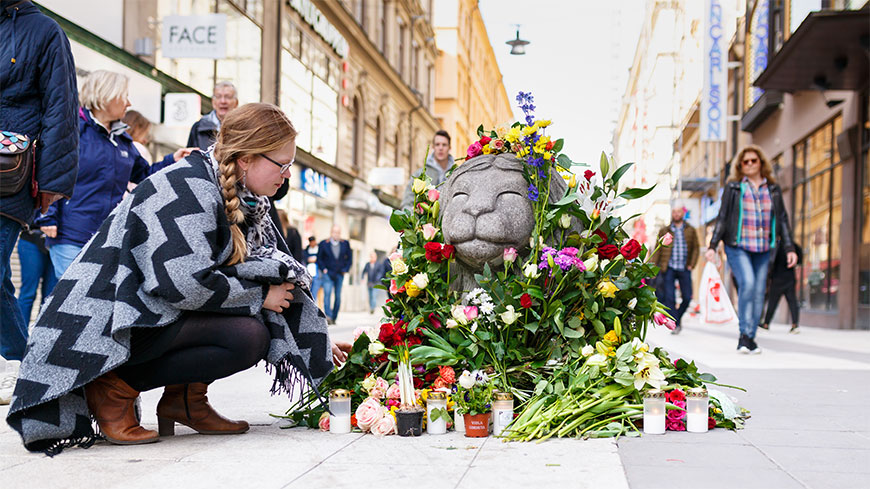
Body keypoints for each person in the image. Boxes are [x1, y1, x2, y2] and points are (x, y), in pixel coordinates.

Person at [6, 103, 352, 453]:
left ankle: (185, 401)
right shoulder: (186, 187)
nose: (288, 175)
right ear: (246, 158)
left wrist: (317, 336)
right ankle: (112, 389)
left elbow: (267, 271)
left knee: (247, 328)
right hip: (108, 322)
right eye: (283, 164)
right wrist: (258, 297)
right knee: (247, 336)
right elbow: (179, 283)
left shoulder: (246, 199)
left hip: (148, 312)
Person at [36, 70, 193, 279]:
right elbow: (51, 170)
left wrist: (172, 159)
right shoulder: (74, 131)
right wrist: (48, 215)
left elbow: (144, 174)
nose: (128, 103)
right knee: (73, 298)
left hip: (107, 236)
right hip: (70, 235)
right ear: (106, 96)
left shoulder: (121, 139)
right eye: (124, 96)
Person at [0, 0, 79, 406]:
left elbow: (61, 108)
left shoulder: (44, 30)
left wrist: (52, 180)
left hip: (8, 174)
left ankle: (21, 364)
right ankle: (25, 364)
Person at [706, 145, 797, 354]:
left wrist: (790, 247)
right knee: (747, 284)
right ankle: (743, 335)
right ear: (740, 166)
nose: (749, 165)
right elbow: (723, 217)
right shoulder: (734, 187)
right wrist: (713, 245)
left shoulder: (772, 189)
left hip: (764, 248)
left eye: (753, 161)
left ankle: (751, 337)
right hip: (738, 246)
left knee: (758, 291)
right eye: (744, 162)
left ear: (761, 163)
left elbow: (782, 219)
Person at [652, 205, 700, 335]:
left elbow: (696, 247)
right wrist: (653, 269)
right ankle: (676, 323)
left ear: (682, 213)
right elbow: (658, 249)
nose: (676, 214)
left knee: (687, 296)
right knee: (669, 297)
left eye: (679, 212)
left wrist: (692, 264)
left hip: (684, 267)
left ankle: (676, 318)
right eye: (674, 212)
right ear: (672, 213)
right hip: (668, 268)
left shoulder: (691, 230)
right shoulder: (664, 230)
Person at [400, 130, 454, 209]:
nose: (441, 148)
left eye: (444, 145)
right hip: (425, 220)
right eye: (437, 144)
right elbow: (407, 202)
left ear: (449, 147)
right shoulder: (420, 174)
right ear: (433, 147)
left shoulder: (455, 173)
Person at [15, 227, 57, 324]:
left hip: (58, 243)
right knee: (28, 293)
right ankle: (20, 334)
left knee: (50, 296)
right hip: (31, 238)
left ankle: (42, 334)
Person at [760, 243, 803, 334]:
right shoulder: (794, 247)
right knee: (792, 302)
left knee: (773, 302)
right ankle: (795, 324)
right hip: (789, 278)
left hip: (778, 278)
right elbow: (799, 261)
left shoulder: (776, 246)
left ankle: (766, 323)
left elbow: (771, 262)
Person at [187, 81, 239, 150]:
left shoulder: (243, 128)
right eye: (218, 97)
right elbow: (189, 157)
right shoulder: (198, 127)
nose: (223, 101)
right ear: (213, 102)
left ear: (236, 103)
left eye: (228, 97)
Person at [316, 226, 352, 324]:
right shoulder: (324, 244)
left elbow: (349, 258)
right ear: (331, 232)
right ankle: (328, 316)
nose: (336, 234)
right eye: (334, 232)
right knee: (327, 295)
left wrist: (345, 269)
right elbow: (319, 258)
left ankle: (334, 316)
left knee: (338, 296)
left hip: (340, 273)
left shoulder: (345, 244)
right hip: (328, 273)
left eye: (338, 232)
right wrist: (323, 269)